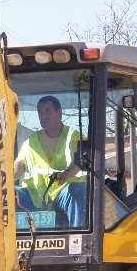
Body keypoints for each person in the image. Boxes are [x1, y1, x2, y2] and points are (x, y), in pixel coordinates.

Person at [14, 95, 87, 227]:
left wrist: (66, 174)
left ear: (59, 113)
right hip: (35, 196)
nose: (43, 116)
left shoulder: (74, 137)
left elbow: (79, 160)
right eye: (40, 113)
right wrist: (3, 181)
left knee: (76, 191)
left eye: (48, 111)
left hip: (64, 192)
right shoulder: (31, 142)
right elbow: (18, 166)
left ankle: (77, 239)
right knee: (9, 195)